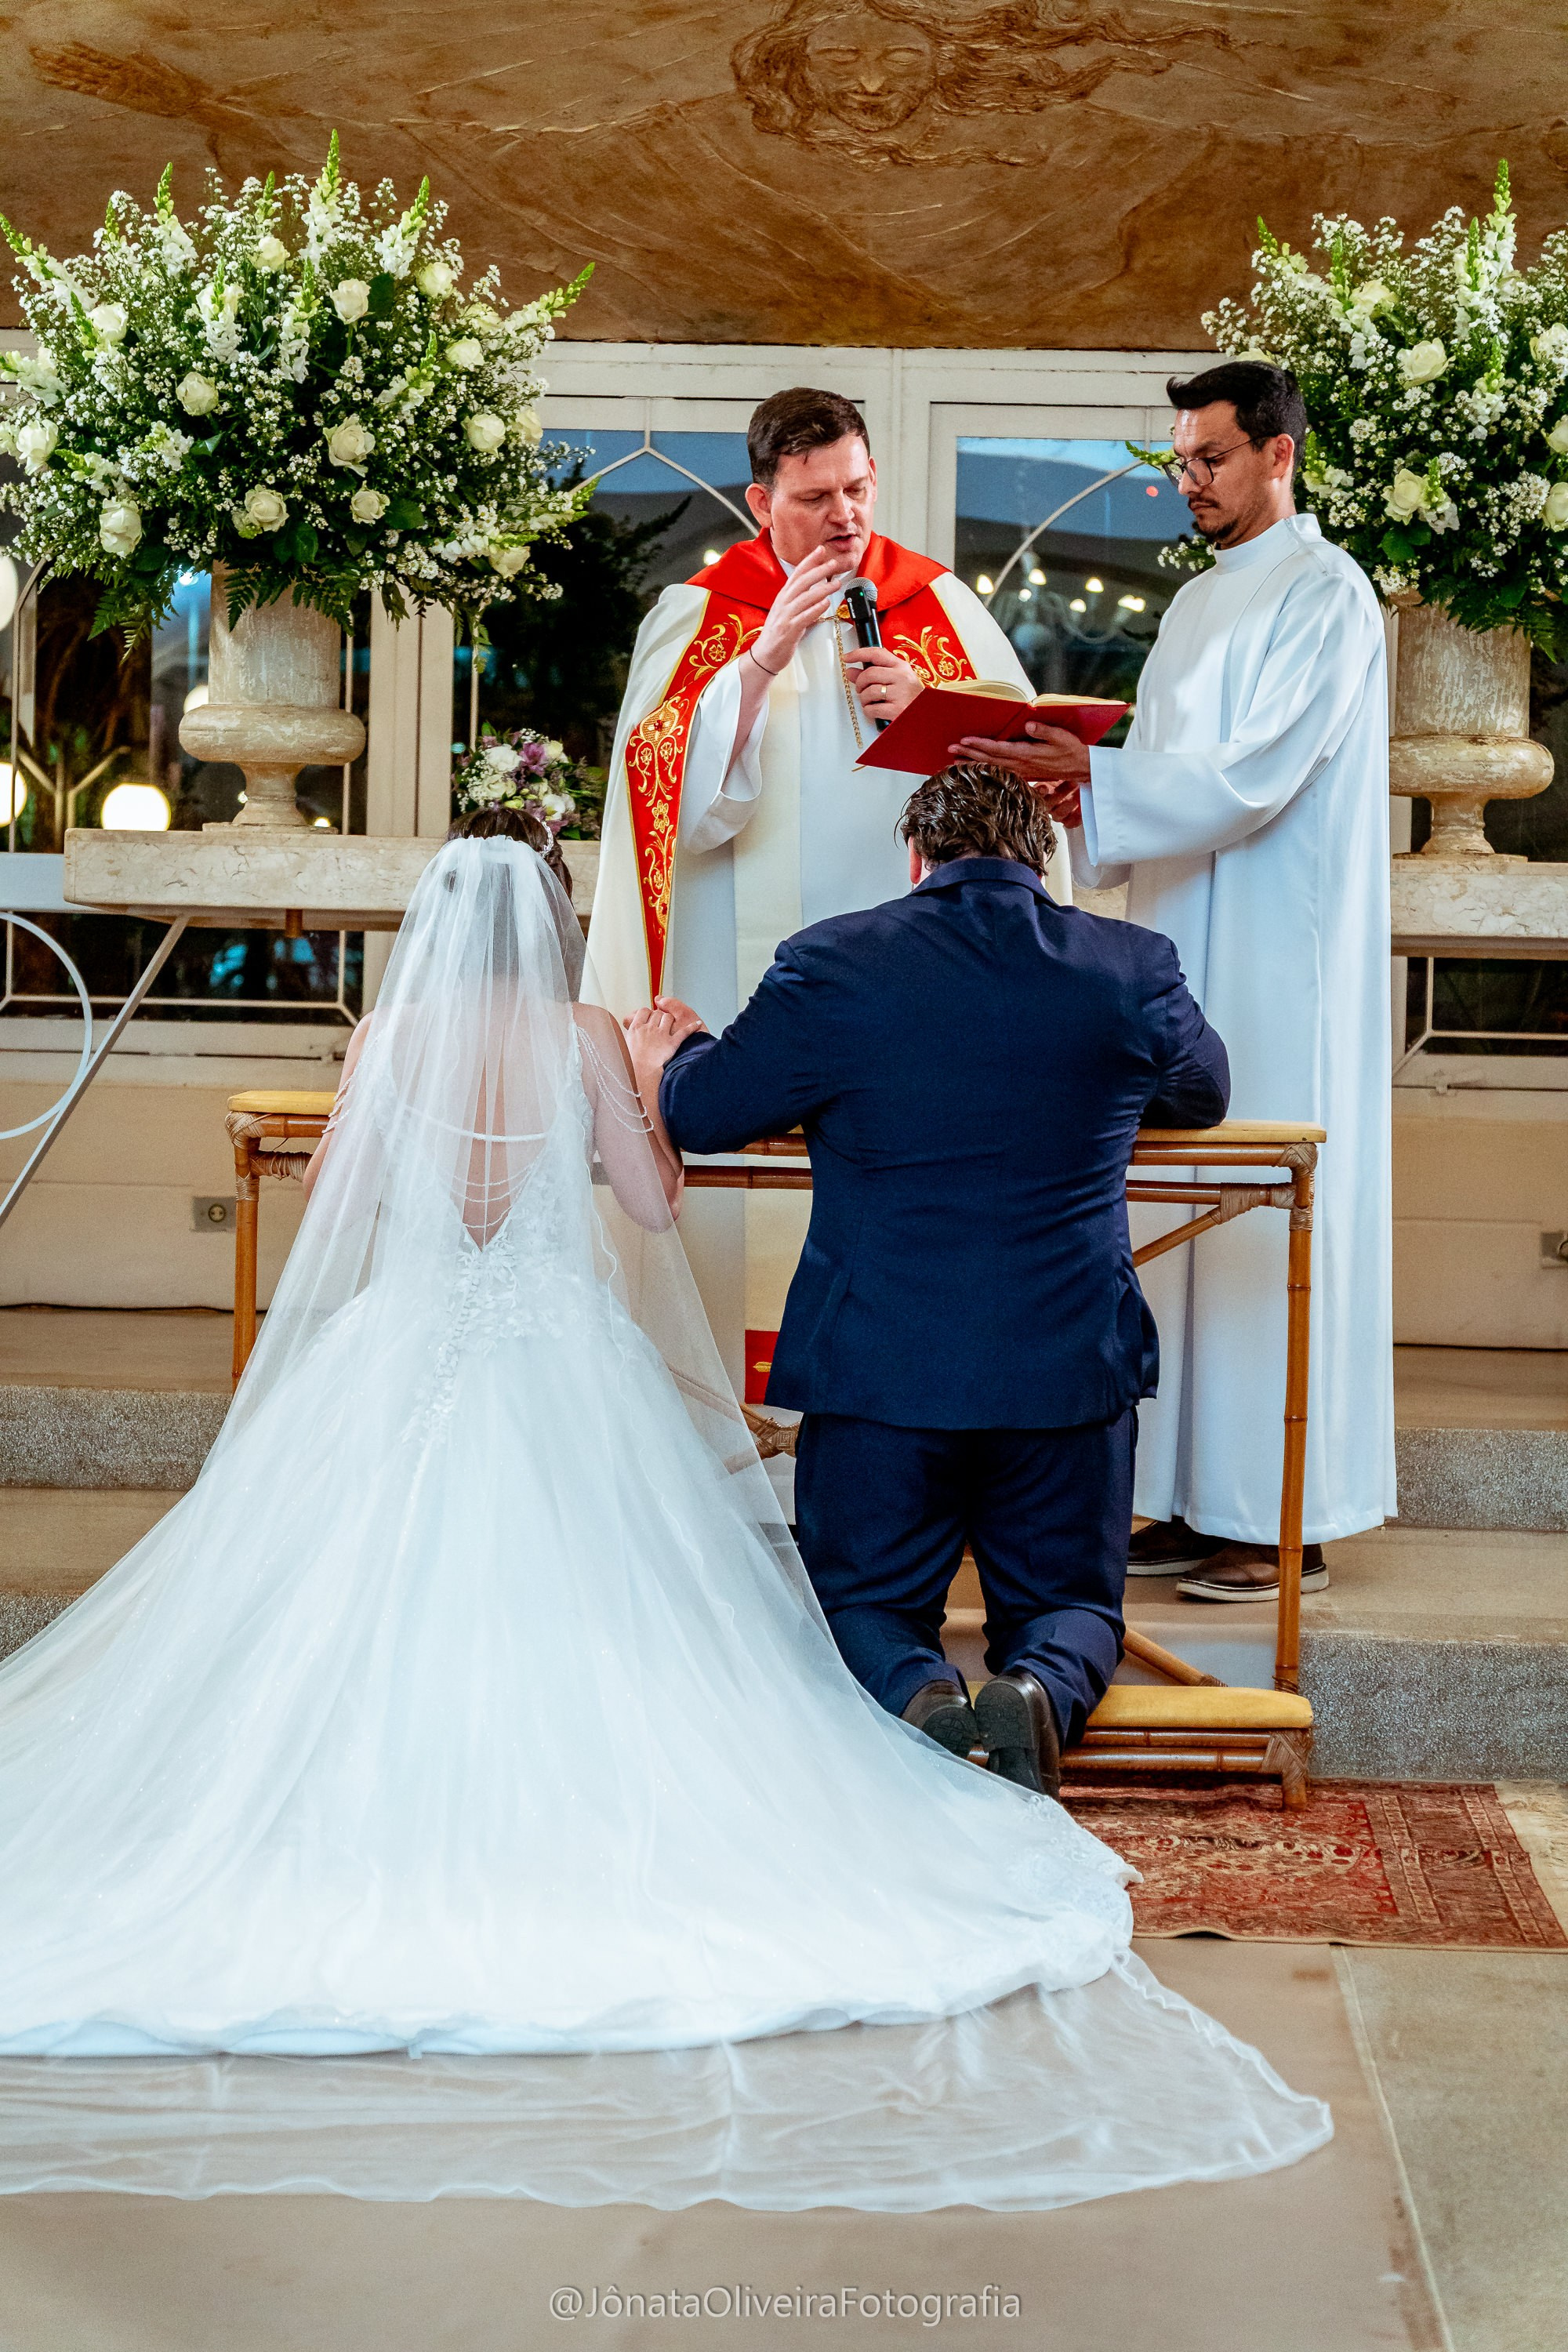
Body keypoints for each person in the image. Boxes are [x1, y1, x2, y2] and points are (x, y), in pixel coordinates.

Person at [0, 809, 1328, 2209]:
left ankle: (904, 1695)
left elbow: (336, 1195)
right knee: (638, 1597)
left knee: (376, 1587)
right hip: (599, 1349)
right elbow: (648, 1202)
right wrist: (639, 1069)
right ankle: (1016, 1689)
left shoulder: (390, 1041)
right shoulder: (582, 1034)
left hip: (417, 1347)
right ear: (560, 917)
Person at [630, 766, 1229, 1796]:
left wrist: (677, 1051)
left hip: (882, 1362)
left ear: (919, 856)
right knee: (1073, 1605)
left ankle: (922, 1699)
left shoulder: (836, 963)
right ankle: (1036, 1694)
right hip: (1067, 1357)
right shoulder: (1130, 965)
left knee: (862, 1600)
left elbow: (704, 1112)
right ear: (1042, 858)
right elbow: (1206, 1092)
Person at [957, 361, 1394, 1602]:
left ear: (1278, 455)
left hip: (1281, 948)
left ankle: (1277, 1513)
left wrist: (1102, 783)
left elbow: (1254, 774)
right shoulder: (1202, 603)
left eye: (1208, 458)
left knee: (1264, 1211)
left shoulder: (1328, 594)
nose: (1188, 482)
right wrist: (1078, 786)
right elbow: (1159, 768)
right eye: (1179, 461)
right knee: (1180, 1218)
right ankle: (1191, 1497)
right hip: (1183, 931)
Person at [590, 385, 1065, 1413]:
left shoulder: (938, 608)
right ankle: (731, 1448)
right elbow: (657, 796)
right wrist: (757, 669)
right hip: (743, 966)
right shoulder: (704, 614)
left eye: (858, 489)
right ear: (762, 500)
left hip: (917, 987)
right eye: (815, 497)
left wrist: (936, 717)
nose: (846, 517)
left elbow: (1027, 794)